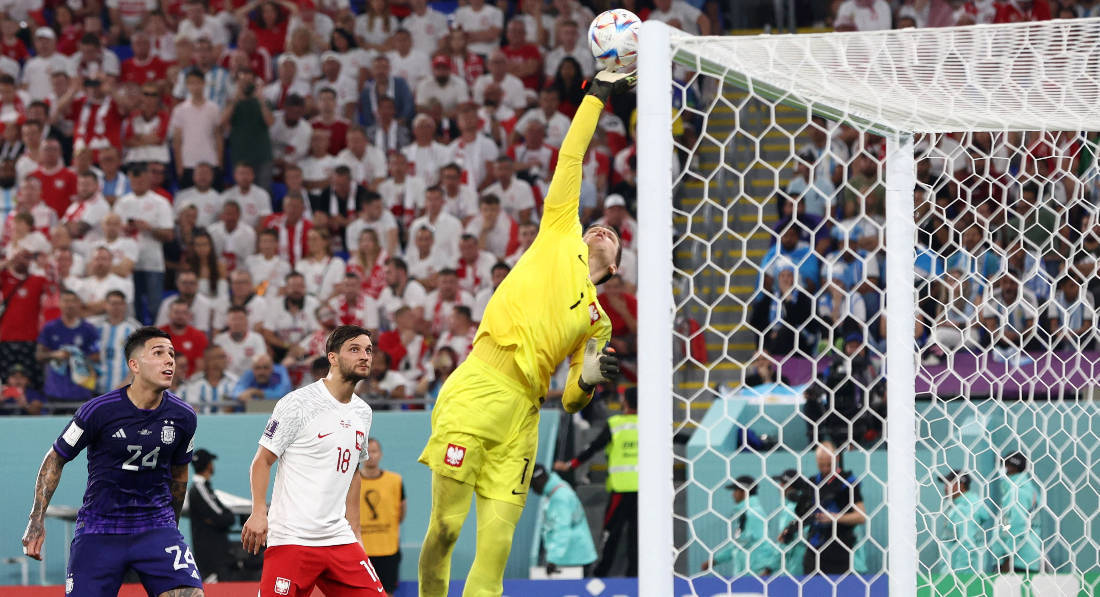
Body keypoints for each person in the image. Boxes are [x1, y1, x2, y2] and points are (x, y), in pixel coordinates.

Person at [416, 69, 634, 597]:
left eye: (613, 233)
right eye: (597, 223)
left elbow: (575, 401)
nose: (602, 225)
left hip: (525, 416)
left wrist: (588, 377)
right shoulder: (560, 231)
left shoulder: (598, 321)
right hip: (479, 384)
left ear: (617, 265)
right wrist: (597, 97)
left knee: (495, 550)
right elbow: (572, 157)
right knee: (445, 529)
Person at [20, 326, 202, 596]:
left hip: (155, 526)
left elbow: (179, 475)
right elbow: (55, 458)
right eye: (159, 353)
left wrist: (169, 529)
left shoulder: (184, 416)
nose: (169, 360)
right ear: (134, 365)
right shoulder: (97, 411)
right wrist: (36, 519)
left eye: (172, 354)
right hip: (99, 529)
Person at [241, 325, 384, 596]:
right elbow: (262, 461)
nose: (364, 356)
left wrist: (357, 534)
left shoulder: (363, 412)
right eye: (354, 349)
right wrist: (259, 511)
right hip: (292, 540)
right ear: (332, 357)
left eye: (368, 350)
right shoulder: (297, 403)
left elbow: (353, 471)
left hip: (340, 539)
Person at [554, 387, 638, 577]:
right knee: (637, 534)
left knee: (610, 534)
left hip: (621, 489)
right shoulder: (650, 426)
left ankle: (602, 574)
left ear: (624, 402)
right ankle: (635, 577)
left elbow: (593, 448)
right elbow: (676, 437)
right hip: (644, 492)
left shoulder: (616, 424)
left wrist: (570, 465)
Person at [803, 441, 867, 575]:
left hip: (839, 547)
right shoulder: (813, 482)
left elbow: (861, 516)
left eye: (828, 464)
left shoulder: (848, 482)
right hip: (814, 547)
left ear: (836, 459)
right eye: (821, 465)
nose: (825, 468)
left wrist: (834, 517)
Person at [700, 475, 778, 577]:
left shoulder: (753, 513)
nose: (733, 495)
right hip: (749, 570)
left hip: (756, 571)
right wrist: (715, 560)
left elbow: (748, 542)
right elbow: (739, 543)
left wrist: (715, 560)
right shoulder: (746, 512)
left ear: (743, 491)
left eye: (735, 491)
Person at [358, 438, 406, 597]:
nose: (371, 455)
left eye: (374, 451)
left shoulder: (395, 481)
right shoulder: (352, 481)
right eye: (367, 451)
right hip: (361, 551)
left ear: (381, 454)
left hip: (388, 550)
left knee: (387, 593)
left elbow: (401, 511)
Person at [529, 463, 597, 576]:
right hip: (575, 554)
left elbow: (562, 530)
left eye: (532, 485)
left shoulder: (559, 498)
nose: (532, 490)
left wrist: (553, 559)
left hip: (572, 559)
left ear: (539, 481)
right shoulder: (558, 488)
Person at [36, 289, 101, 403]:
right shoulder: (50, 328)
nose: (69, 305)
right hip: (55, 390)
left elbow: (97, 356)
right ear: (59, 304)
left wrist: (76, 356)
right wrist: (55, 354)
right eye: (66, 301)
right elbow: (39, 356)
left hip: (81, 389)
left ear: (78, 304)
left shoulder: (88, 329)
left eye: (72, 301)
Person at [189, 448, 237, 583]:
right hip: (212, 561)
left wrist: (221, 518)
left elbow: (219, 517)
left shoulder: (203, 489)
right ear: (208, 465)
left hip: (215, 558)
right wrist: (226, 517)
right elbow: (223, 518)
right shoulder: (200, 489)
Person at [992, 451, 1044, 574]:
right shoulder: (1029, 490)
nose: (1000, 469)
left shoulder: (1017, 492)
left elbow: (1017, 527)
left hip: (1016, 561)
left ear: (1011, 468)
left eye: (1002, 465)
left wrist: (1007, 559)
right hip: (1026, 558)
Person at [937, 469, 994, 574]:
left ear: (961, 485)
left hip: (959, 575)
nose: (945, 488)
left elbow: (966, 543)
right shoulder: (967, 505)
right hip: (968, 572)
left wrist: (961, 575)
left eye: (948, 484)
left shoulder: (965, 508)